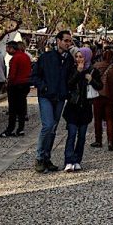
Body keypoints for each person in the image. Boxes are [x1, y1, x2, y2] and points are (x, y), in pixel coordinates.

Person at [32, 30, 75, 173]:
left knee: (53, 128)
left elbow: (70, 78)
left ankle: (46, 157)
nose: (68, 43)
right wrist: (43, 86)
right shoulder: (46, 57)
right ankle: (39, 157)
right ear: (58, 41)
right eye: (66, 40)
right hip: (46, 95)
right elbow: (34, 76)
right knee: (47, 125)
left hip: (60, 97)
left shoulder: (69, 59)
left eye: (70, 41)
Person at [63, 49, 102, 171]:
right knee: (72, 134)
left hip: (85, 108)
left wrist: (91, 80)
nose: (79, 59)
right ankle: (69, 160)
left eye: (81, 57)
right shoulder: (72, 69)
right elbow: (68, 84)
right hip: (73, 107)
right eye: (77, 56)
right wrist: (78, 72)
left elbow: (100, 86)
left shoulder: (92, 70)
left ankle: (77, 159)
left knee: (82, 136)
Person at [0, 41, 32, 138]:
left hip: (16, 85)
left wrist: (8, 84)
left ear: (12, 48)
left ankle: (10, 129)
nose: (6, 50)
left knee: (12, 109)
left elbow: (12, 74)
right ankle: (20, 128)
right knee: (21, 108)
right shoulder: (26, 56)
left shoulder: (15, 58)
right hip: (25, 84)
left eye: (7, 48)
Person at [92, 49, 113, 151]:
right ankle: (110, 142)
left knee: (97, 118)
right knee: (109, 119)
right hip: (110, 96)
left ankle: (98, 140)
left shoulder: (96, 66)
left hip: (97, 95)